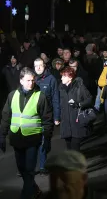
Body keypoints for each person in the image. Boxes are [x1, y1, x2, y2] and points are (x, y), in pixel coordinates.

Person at [0, 67, 53, 199]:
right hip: (16, 138)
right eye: (28, 80)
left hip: (32, 139)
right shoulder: (12, 95)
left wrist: (47, 139)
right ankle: (34, 189)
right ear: (21, 80)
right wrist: (2, 135)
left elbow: (47, 119)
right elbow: (6, 116)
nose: (31, 83)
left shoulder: (40, 96)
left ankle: (26, 195)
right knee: (22, 169)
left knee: (29, 169)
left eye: (33, 80)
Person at [34, 58, 60, 176]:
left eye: (40, 65)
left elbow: (55, 99)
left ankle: (44, 156)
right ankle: (41, 166)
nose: (38, 68)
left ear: (44, 66)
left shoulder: (51, 79)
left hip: (47, 116)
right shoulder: (31, 79)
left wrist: (57, 116)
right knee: (37, 142)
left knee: (46, 141)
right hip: (34, 117)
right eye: (36, 66)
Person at [59, 67, 93, 151]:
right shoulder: (60, 88)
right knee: (69, 148)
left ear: (70, 77)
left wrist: (78, 104)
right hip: (66, 124)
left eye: (64, 76)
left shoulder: (79, 87)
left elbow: (89, 99)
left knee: (75, 148)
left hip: (76, 123)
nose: (61, 78)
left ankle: (76, 163)